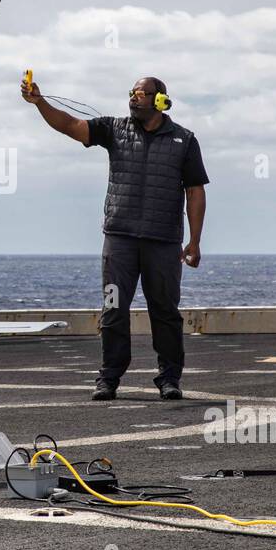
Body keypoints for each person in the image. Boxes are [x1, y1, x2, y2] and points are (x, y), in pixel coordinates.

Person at [23, 75, 208, 401]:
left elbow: (195, 192)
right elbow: (70, 125)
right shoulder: (114, 129)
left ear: (161, 101)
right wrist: (40, 102)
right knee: (113, 309)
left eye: (141, 94)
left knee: (165, 312)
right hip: (119, 240)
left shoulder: (185, 140)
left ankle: (169, 379)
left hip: (163, 242)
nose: (134, 99)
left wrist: (194, 241)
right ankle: (108, 378)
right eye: (132, 93)